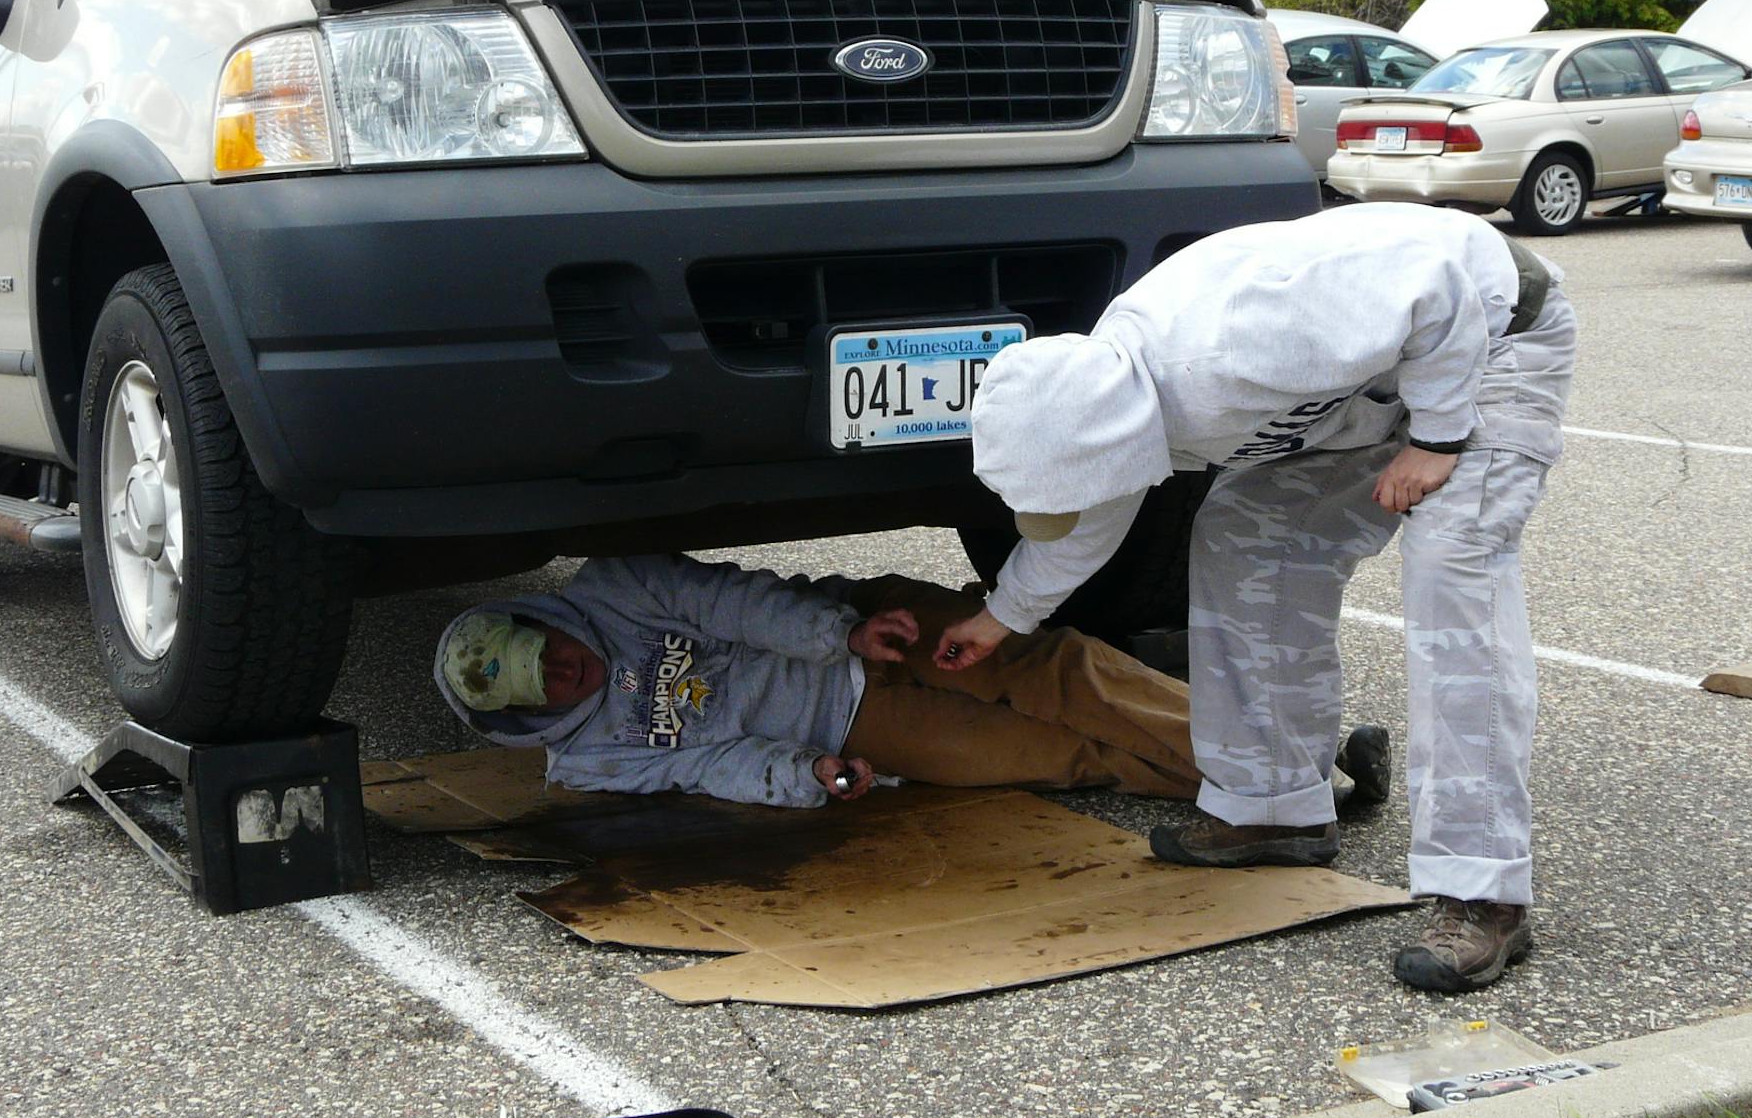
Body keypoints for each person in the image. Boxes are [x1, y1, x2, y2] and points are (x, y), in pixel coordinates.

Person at [936, 201, 1576, 994]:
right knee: (1242, 535)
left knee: (1454, 572)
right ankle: (1272, 806)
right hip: (1370, 389)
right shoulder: (1102, 400)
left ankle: (1484, 892)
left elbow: (1438, 288)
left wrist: (1438, 437)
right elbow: (1085, 522)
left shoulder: (1237, 342)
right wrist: (1000, 619)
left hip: (1489, 336)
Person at [433, 554, 1393, 812]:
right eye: (545, 685)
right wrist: (799, 777)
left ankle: (1293, 757)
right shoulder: (587, 760)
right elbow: (707, 764)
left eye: (547, 648)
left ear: (540, 622)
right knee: (1063, 759)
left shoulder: (608, 591)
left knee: (1057, 672)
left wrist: (842, 629)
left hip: (864, 632)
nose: (567, 670)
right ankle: (1292, 795)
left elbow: (725, 606)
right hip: (857, 729)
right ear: (527, 715)